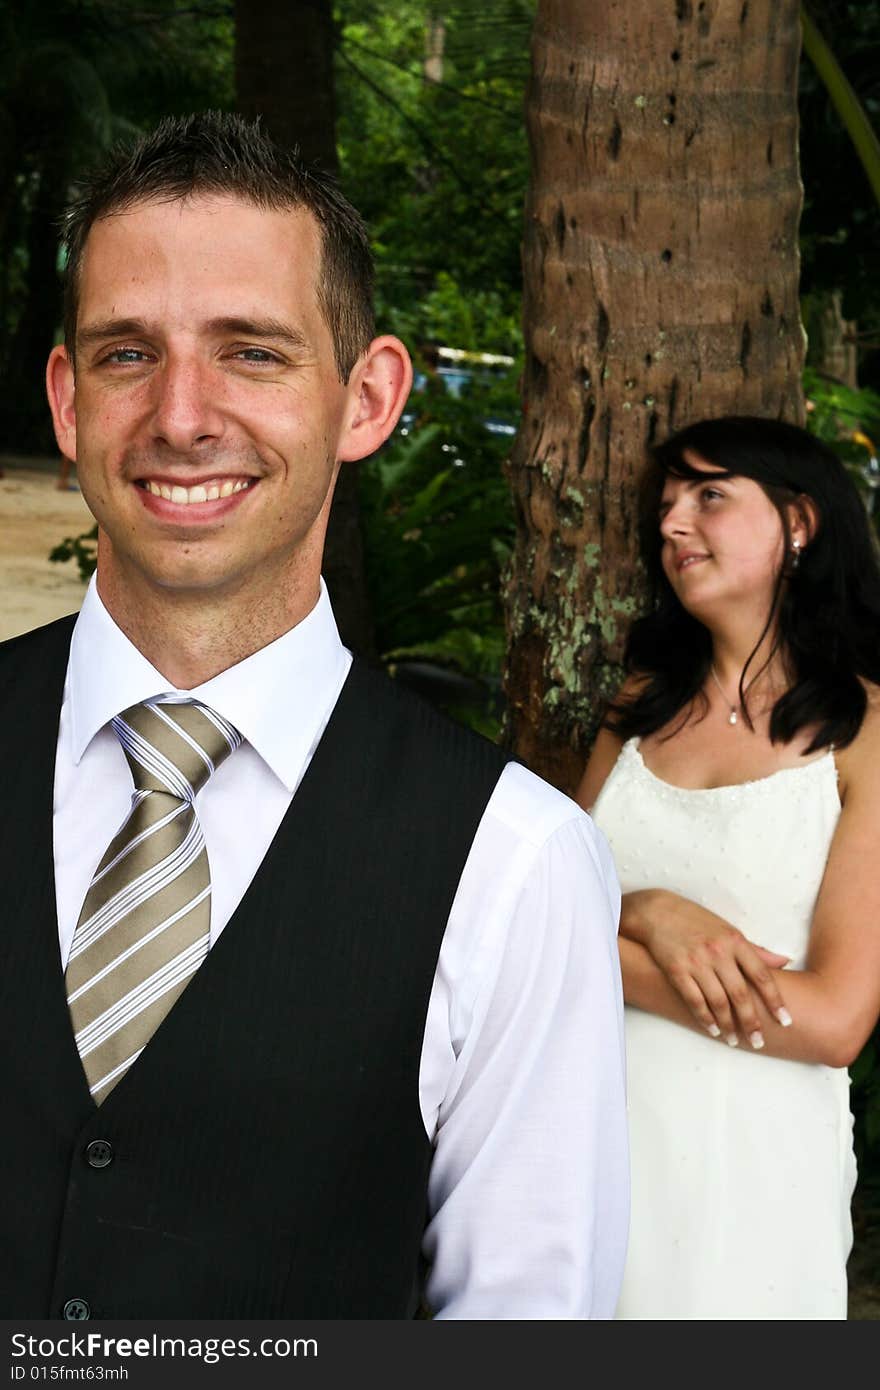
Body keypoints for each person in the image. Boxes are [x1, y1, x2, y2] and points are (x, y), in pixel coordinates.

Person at [0, 112, 628, 1320]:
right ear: (68, 401)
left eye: (251, 352)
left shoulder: (514, 865)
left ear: (367, 397)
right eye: (129, 354)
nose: (182, 416)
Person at [577, 415, 880, 1320]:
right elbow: (540, 912)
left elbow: (832, 1021)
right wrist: (649, 911)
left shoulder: (867, 736)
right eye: (666, 504)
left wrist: (599, 951)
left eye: (709, 496)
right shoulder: (636, 704)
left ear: (800, 524)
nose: (673, 524)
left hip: (751, 1158)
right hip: (583, 1134)